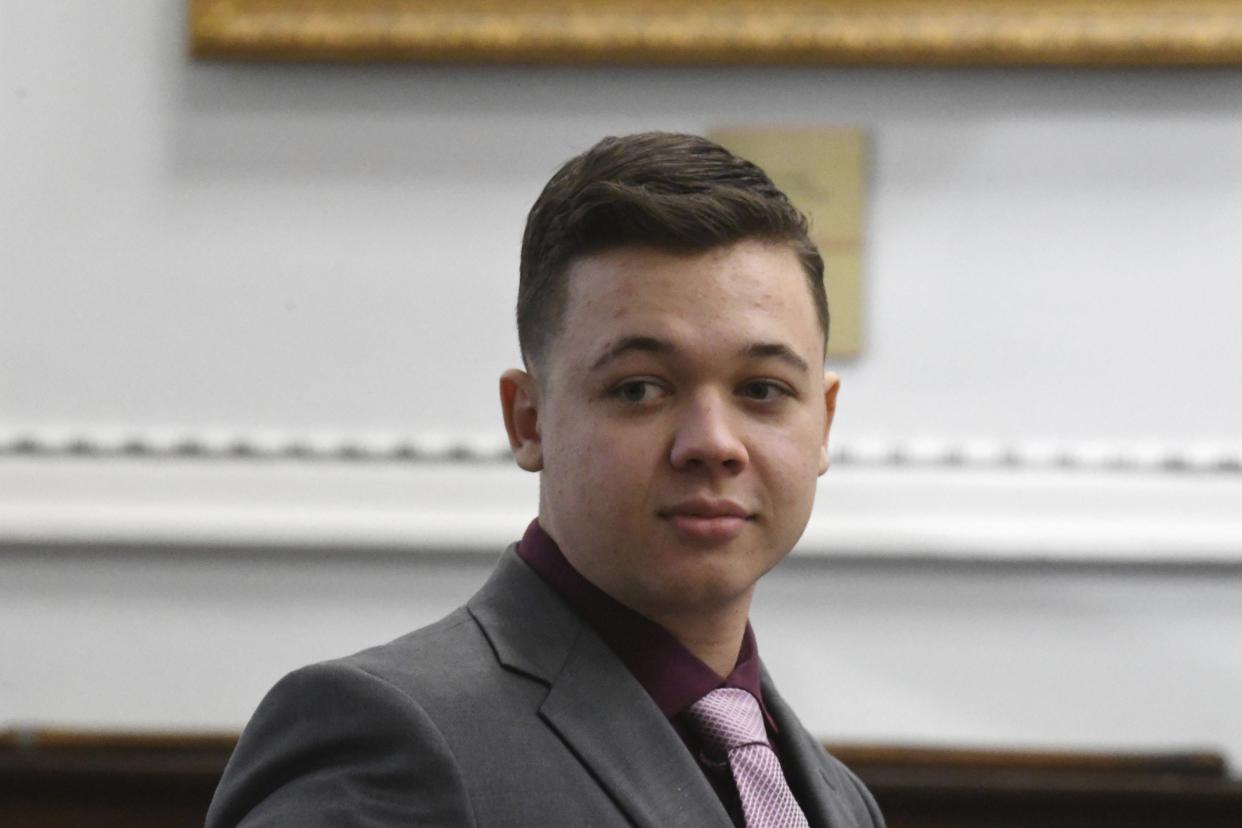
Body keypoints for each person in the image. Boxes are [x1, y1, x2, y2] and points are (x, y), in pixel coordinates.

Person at [206, 132, 884, 828]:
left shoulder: (837, 801)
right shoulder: (389, 740)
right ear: (528, 421)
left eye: (763, 390)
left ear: (823, 422)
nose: (712, 444)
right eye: (641, 389)